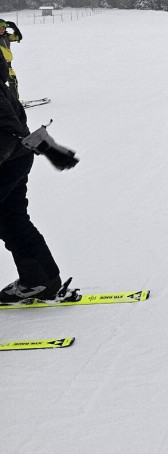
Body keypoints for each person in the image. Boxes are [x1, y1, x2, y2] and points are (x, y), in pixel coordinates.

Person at [0, 52, 79, 302]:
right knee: (11, 220)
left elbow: (8, 125)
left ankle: (39, 280)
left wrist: (42, 146)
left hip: (7, 159)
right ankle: (39, 281)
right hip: (17, 158)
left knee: (11, 220)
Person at [0, 18, 23, 99]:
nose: (1, 30)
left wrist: (14, 27)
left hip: (8, 66)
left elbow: (18, 37)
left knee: (13, 82)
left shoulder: (6, 37)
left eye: (3, 28)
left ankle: (15, 102)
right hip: (1, 66)